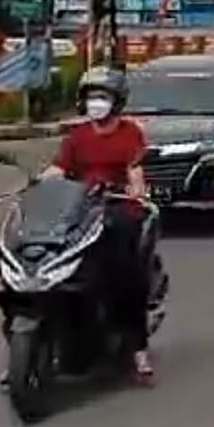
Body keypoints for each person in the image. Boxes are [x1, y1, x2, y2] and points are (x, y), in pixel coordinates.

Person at [42, 67, 156, 383]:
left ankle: (138, 349)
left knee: (125, 273)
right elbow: (59, 169)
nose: (97, 103)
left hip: (117, 207)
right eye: (92, 97)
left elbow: (134, 170)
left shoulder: (130, 133)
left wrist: (136, 190)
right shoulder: (77, 137)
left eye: (103, 97)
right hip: (81, 207)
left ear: (116, 102)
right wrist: (36, 184)